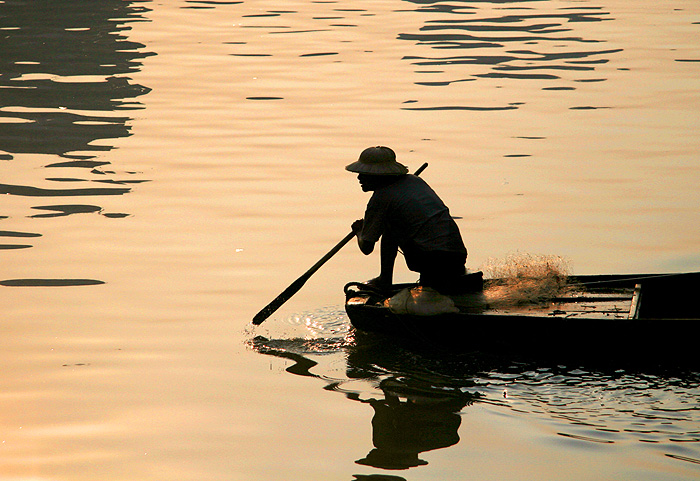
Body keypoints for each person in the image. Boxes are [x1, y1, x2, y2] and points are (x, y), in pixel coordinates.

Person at [347, 146, 468, 294]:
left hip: (434, 260)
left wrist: (359, 231)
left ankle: (385, 280)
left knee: (390, 226)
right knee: (392, 223)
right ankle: (385, 279)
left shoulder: (381, 198)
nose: (359, 178)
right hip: (457, 256)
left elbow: (367, 247)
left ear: (377, 175)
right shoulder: (415, 181)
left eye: (364, 174)